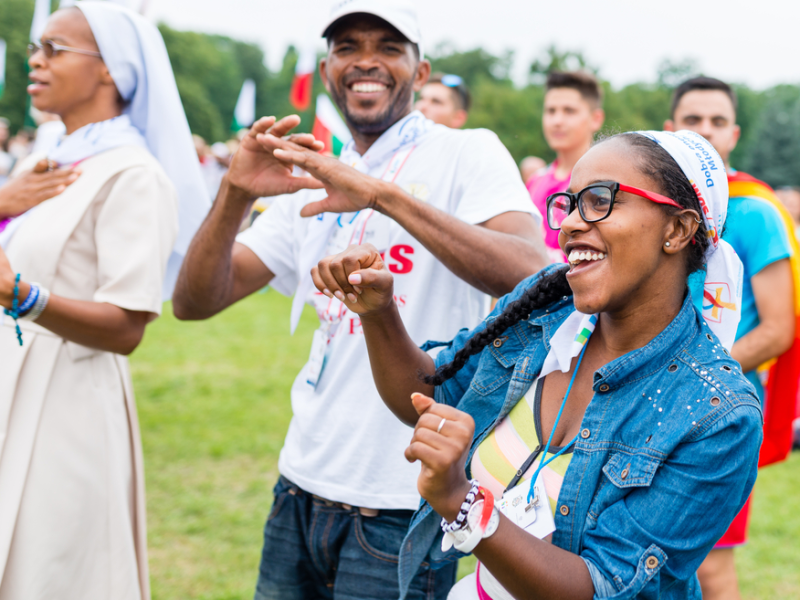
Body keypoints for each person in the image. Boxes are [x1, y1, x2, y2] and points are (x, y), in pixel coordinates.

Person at [172, 0, 547, 597]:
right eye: (347, 47)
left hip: (404, 501)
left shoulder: (466, 152)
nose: (365, 61)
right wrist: (234, 192)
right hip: (300, 484)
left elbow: (533, 272)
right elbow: (196, 300)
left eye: (388, 47)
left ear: (420, 72)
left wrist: (381, 195)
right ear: (327, 71)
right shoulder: (315, 176)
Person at [309, 129, 761, 600]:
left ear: (677, 230)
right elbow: (431, 394)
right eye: (570, 203)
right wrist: (378, 312)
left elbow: (600, 586)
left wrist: (462, 503)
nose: (570, 224)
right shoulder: (548, 309)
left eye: (600, 200)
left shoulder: (719, 416)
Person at [0, 3, 208, 599]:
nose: (35, 61)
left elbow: (126, 326)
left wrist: (20, 296)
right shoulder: (49, 162)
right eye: (35, 48)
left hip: (64, 400)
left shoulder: (133, 175)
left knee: (47, 569)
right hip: (11, 377)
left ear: (111, 69)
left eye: (54, 49)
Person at [665, 76, 799, 600]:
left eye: (717, 121)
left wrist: (691, 374)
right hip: (644, 403)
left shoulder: (756, 212)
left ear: (734, 133)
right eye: (692, 120)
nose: (706, 130)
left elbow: (778, 329)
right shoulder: (654, 207)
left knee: (711, 570)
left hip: (720, 412)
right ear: (671, 129)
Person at [527, 71, 605, 263]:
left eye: (569, 111)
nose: (557, 121)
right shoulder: (535, 181)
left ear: (596, 119)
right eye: (551, 111)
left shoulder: (604, 185)